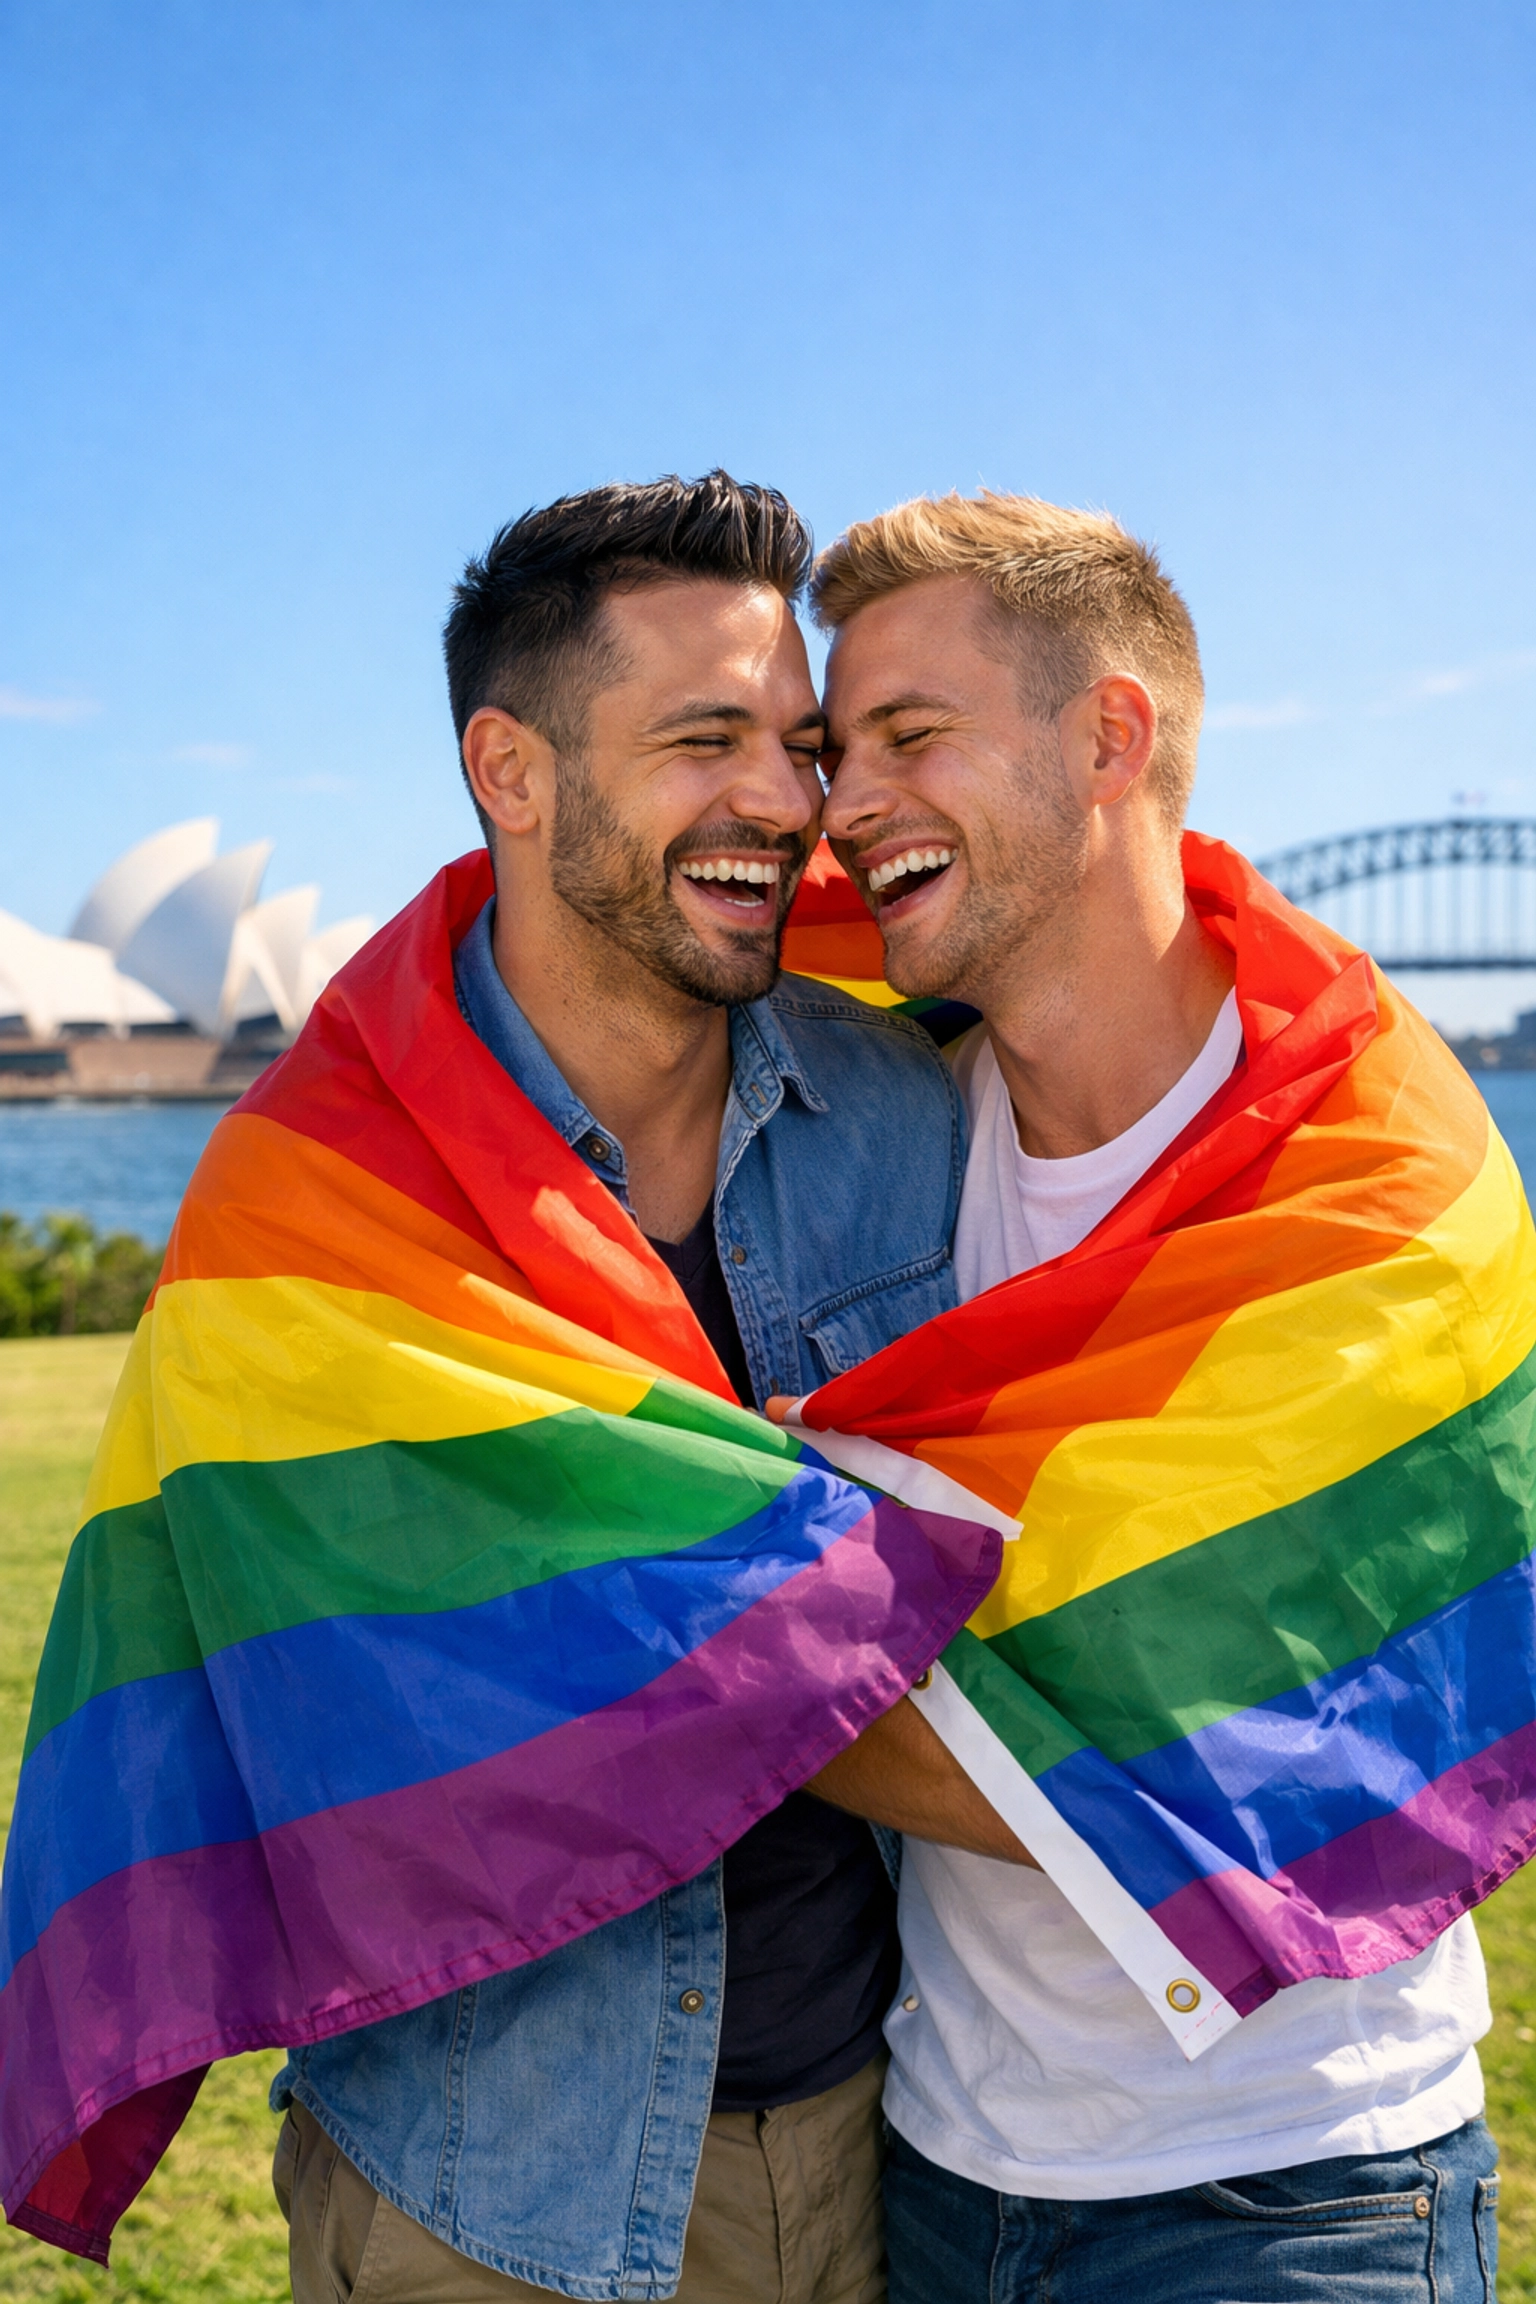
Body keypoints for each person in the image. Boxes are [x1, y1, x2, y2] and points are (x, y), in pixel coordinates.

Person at [267, 473, 974, 2304]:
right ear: (511, 771)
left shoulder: (909, 1117)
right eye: (702, 737)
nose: (782, 802)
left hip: (881, 2144)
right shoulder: (333, 1189)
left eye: (798, 743)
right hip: (484, 2182)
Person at [804, 490, 1501, 2304]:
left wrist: (710, 1665)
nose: (844, 801)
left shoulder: (1373, 1182)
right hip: (942, 2167)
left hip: (1290, 2200)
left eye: (911, 735)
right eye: (836, 748)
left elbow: (1272, 1729)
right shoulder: (862, 1148)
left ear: (1109, 735)